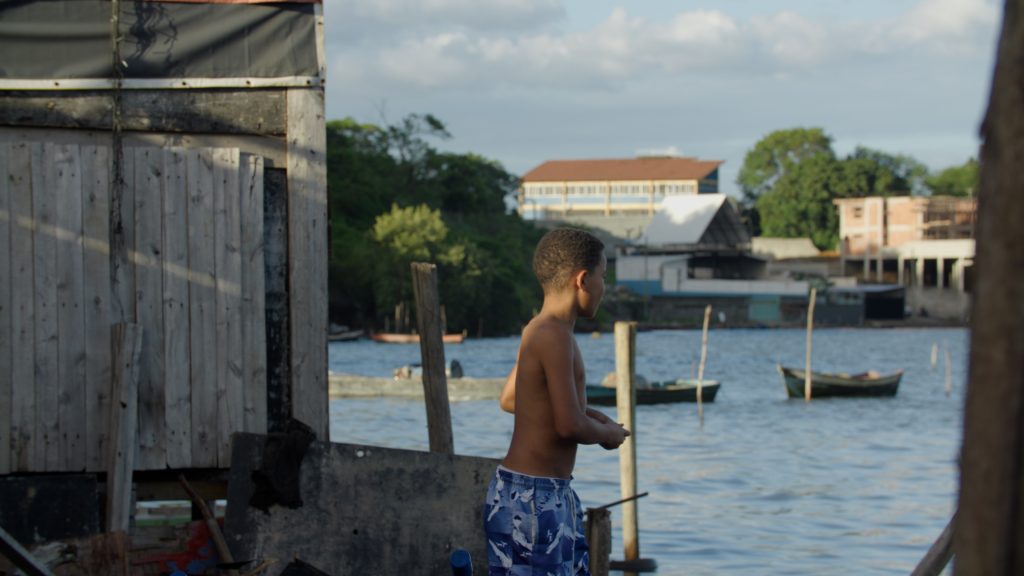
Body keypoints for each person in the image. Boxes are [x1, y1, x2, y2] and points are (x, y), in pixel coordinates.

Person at [483, 228, 630, 575]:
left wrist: (594, 417)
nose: (603, 287)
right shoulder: (553, 336)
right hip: (531, 498)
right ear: (582, 279)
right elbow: (568, 424)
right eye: (603, 276)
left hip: (546, 492)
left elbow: (511, 398)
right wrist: (606, 435)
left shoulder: (540, 329)